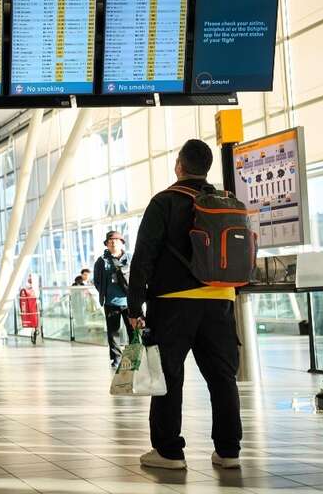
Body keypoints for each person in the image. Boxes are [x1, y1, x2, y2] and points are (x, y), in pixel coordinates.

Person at [128, 139, 242, 471]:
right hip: (220, 300)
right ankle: (228, 450)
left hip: (173, 303)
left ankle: (169, 451)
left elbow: (143, 257)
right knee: (222, 377)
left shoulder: (164, 201)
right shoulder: (225, 201)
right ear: (206, 168)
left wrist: (134, 307)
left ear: (179, 165)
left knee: (169, 376)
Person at [93, 231, 133, 368]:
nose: (113, 242)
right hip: (111, 302)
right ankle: (116, 358)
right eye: (110, 241)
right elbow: (97, 281)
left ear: (122, 242)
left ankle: (133, 357)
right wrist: (105, 293)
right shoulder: (101, 261)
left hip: (130, 302)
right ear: (107, 244)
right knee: (113, 333)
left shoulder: (130, 258)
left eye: (116, 240)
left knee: (133, 331)